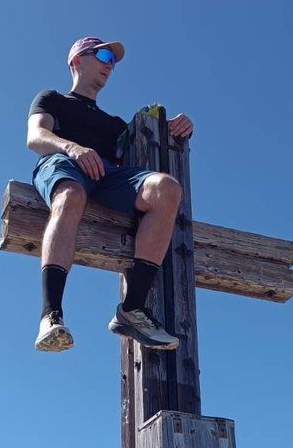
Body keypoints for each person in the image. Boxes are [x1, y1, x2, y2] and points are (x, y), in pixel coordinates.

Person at [27, 36, 194, 352]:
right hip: (63, 161)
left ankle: (132, 310)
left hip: (108, 176)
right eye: (102, 54)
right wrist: (72, 148)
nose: (109, 64)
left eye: (113, 61)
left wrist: (172, 127)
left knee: (166, 189)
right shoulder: (52, 99)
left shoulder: (115, 125)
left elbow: (142, 141)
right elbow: (35, 137)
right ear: (76, 60)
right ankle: (51, 315)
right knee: (70, 196)